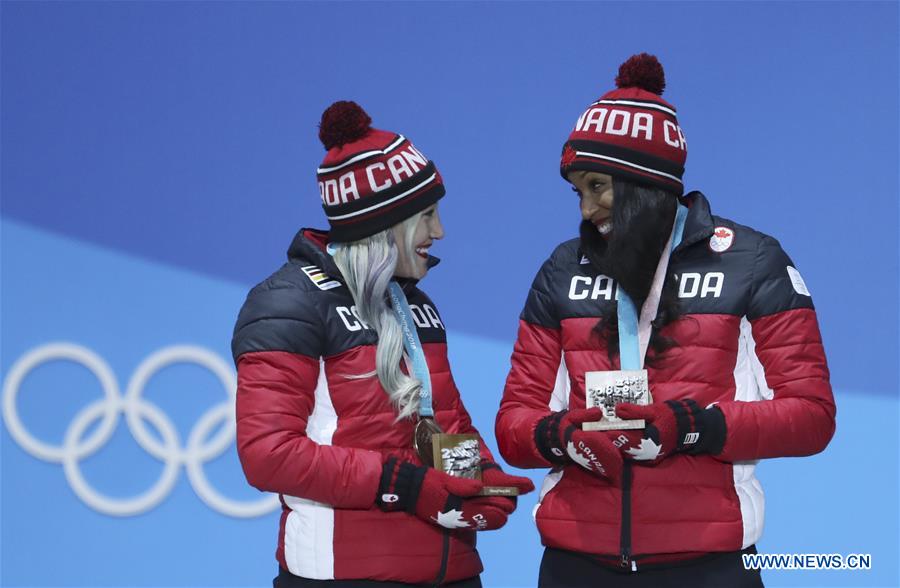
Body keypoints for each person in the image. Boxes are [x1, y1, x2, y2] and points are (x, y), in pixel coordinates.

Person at [495, 54, 835, 587]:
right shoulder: (562, 269)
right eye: (578, 191)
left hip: (710, 566)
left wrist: (694, 427)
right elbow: (514, 424)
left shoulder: (752, 260)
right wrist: (563, 436)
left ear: (645, 185)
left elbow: (812, 416)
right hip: (575, 565)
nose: (585, 210)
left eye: (599, 187)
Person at [233, 101, 534, 587]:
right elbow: (268, 453)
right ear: (383, 224)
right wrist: (405, 486)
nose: (440, 232)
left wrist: (479, 475)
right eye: (427, 216)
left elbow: (446, 421)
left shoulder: (414, 302)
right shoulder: (288, 302)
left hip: (452, 574)